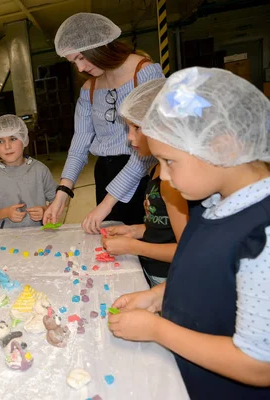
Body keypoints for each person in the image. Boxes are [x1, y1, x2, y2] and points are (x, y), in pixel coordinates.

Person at [108, 67, 270, 398]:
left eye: (170, 161)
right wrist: (158, 296)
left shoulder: (260, 236)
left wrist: (157, 330)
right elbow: (208, 279)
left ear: (222, 147)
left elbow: (259, 365)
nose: (163, 176)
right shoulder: (212, 204)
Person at [45, 12, 165, 233]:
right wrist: (63, 192)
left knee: (143, 238)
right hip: (105, 174)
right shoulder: (88, 89)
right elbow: (79, 144)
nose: (80, 69)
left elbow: (148, 149)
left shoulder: (145, 73)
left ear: (99, 46)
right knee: (113, 242)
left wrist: (107, 204)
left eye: (81, 57)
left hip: (140, 173)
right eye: (74, 62)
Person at [101, 78, 189, 286]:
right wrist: (135, 231)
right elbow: (163, 226)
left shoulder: (170, 183)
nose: (130, 138)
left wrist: (133, 247)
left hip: (171, 278)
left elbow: (187, 252)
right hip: (153, 270)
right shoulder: (156, 169)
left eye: (136, 128)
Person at [0, 114, 57, 229]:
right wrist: (6, 213)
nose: (7, 146)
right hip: (7, 239)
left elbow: (58, 202)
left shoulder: (40, 170)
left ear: (24, 140)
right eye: (0, 141)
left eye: (13, 138)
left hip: (40, 235)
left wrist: (45, 210)